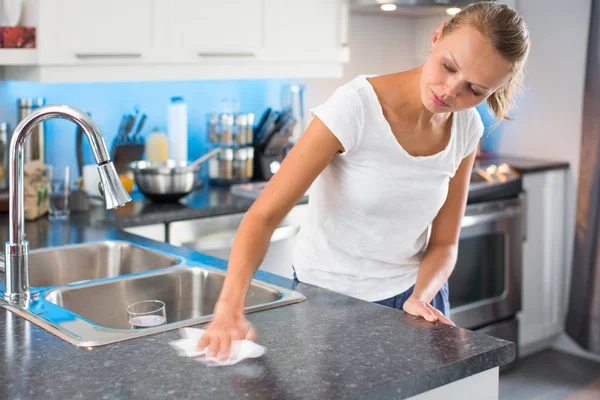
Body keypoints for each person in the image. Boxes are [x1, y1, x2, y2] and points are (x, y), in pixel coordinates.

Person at [198, 1, 530, 360]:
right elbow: (263, 216)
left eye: (475, 90)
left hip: (419, 301)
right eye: (448, 66)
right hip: (330, 303)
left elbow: (445, 242)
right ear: (436, 38)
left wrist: (421, 296)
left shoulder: (467, 127)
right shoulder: (354, 108)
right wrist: (229, 307)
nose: (451, 90)